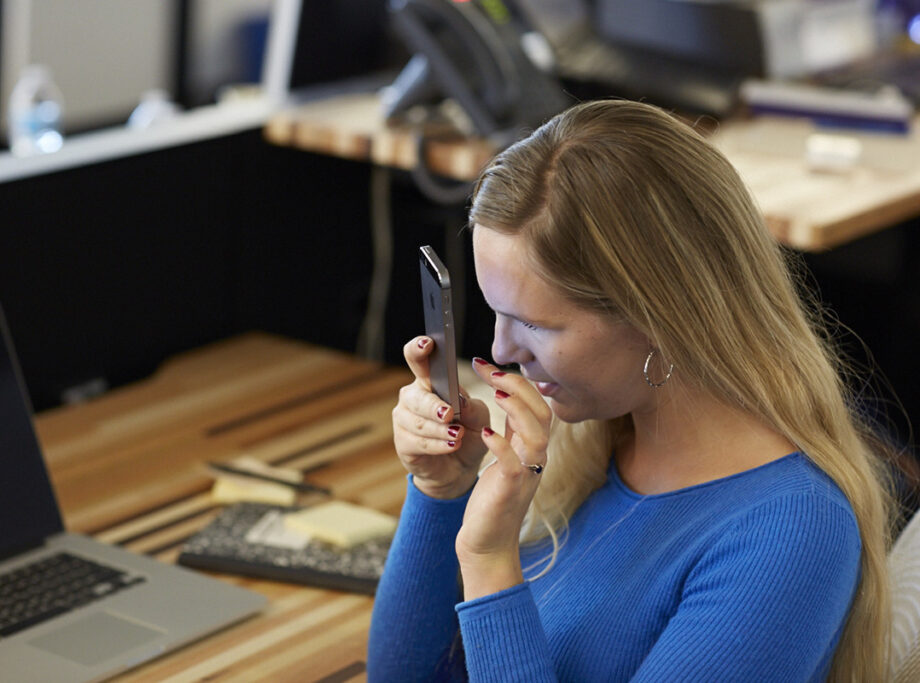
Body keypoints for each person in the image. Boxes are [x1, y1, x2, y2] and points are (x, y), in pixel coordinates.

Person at [367, 99, 902, 682]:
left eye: (537, 324)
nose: (501, 351)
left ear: (661, 313)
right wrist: (440, 491)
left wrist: (491, 565)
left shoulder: (789, 534)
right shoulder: (588, 442)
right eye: (497, 312)